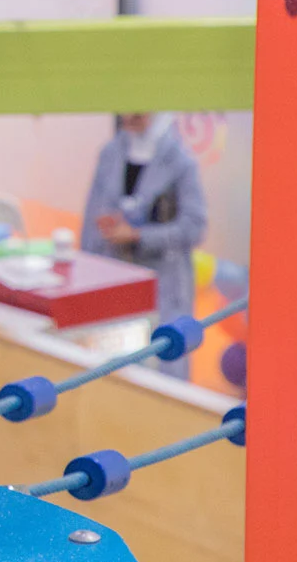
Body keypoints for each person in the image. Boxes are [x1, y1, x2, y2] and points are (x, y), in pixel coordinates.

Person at [81, 113, 208, 379]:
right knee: (115, 369)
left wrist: (139, 235)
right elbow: (92, 218)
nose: (131, 114)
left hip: (162, 285)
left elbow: (194, 227)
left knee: (162, 369)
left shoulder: (181, 162)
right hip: (114, 279)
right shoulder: (111, 153)